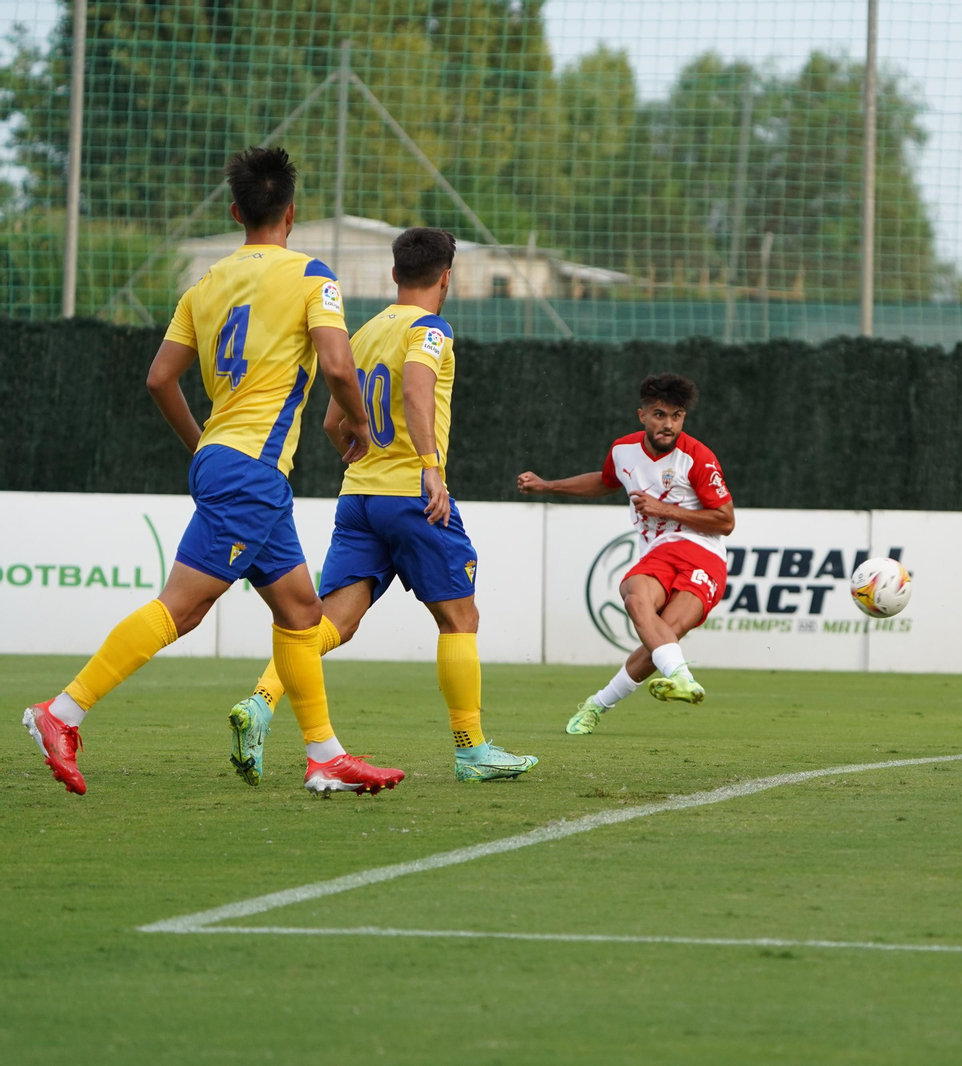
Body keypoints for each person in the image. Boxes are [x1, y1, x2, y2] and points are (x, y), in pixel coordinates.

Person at [22, 147, 404, 796]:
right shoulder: (313, 275)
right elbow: (340, 369)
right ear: (292, 213)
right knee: (186, 607)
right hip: (253, 470)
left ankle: (324, 756)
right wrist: (363, 428)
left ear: (235, 212)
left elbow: (159, 378)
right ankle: (61, 713)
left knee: (301, 612)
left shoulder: (205, 285)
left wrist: (203, 443)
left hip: (233, 464)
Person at [225, 227, 538, 784]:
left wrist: (359, 456)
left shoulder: (366, 331)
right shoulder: (431, 329)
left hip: (359, 498)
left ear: (395, 274)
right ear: (447, 278)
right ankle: (472, 751)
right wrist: (429, 468)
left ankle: (260, 703)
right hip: (411, 496)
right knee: (460, 619)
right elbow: (418, 391)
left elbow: (331, 420)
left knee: (328, 624)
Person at [516, 373, 734, 734]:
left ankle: (597, 704)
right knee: (635, 595)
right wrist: (546, 484)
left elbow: (725, 521)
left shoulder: (698, 457)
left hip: (704, 553)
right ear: (642, 416)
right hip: (660, 552)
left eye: (676, 416)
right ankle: (681, 676)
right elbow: (605, 481)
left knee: (666, 635)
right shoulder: (623, 450)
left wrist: (665, 510)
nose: (668, 424)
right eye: (659, 415)